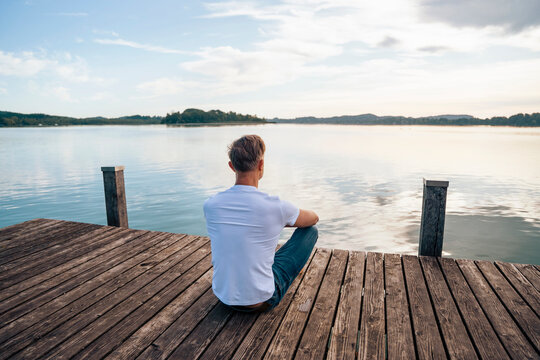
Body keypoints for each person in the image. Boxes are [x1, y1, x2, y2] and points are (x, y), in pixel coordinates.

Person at [203, 135, 319, 312]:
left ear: (232, 166)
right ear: (261, 165)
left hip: (224, 297)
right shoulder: (275, 206)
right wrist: (280, 221)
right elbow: (313, 218)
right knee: (310, 231)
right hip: (261, 300)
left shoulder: (211, 205)